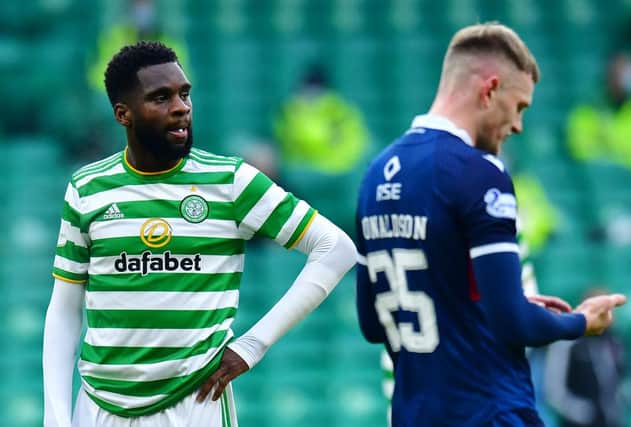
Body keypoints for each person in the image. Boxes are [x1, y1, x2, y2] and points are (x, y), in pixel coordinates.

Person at [42, 41, 357, 427]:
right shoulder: (87, 188)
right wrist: (55, 415)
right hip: (99, 408)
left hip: (196, 404)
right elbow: (64, 308)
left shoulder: (230, 181)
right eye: (160, 97)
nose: (181, 107)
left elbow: (336, 248)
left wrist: (252, 346)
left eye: (184, 94)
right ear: (123, 114)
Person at [355, 22, 627, 427]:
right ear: (489, 90)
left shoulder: (375, 175)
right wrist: (582, 322)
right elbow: (511, 323)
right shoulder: (479, 172)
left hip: (414, 413)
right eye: (519, 107)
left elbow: (372, 322)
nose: (518, 126)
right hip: (488, 411)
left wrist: (475, 308)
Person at [545, 288, 626, 427]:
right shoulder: (566, 342)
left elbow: (620, 380)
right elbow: (554, 391)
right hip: (578, 423)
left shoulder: (614, 341)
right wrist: (583, 413)